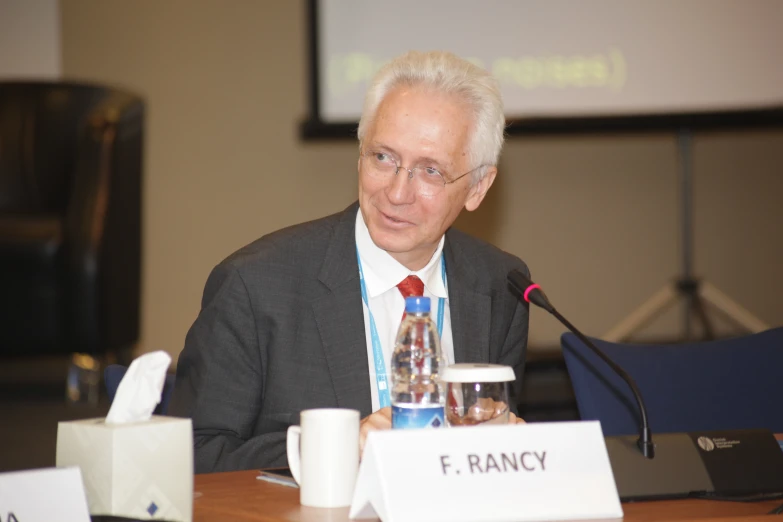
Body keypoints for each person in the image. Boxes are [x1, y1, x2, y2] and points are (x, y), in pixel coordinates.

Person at [169, 50, 531, 473]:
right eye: (383, 158)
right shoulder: (254, 287)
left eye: (430, 171)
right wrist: (337, 447)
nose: (397, 192)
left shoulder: (500, 285)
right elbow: (191, 456)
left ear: (477, 188)